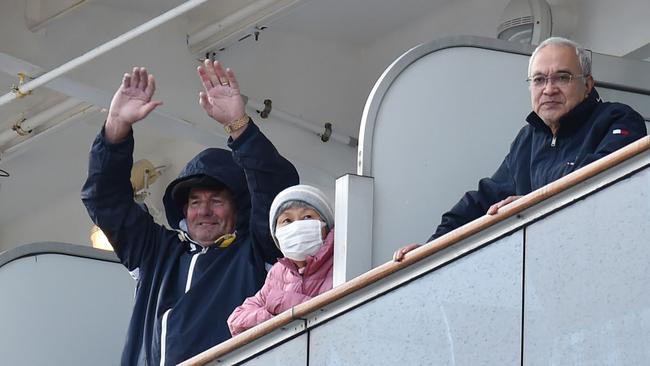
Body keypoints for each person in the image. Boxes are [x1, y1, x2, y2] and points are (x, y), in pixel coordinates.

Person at [81, 60, 298, 365]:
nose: (204, 211)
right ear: (184, 210)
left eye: (217, 200)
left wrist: (240, 126)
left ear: (237, 208)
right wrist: (116, 126)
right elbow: (105, 201)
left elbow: (276, 189)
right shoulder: (155, 254)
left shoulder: (255, 250)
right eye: (195, 202)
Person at [394, 36, 647, 261]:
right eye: (539, 80)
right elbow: (483, 199)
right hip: (543, 278)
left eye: (562, 77)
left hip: (606, 262)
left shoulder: (619, 119)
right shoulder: (527, 140)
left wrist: (530, 205)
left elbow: (602, 179)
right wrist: (429, 250)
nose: (549, 89)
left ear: (588, 85)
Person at [227, 184, 335, 336]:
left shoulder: (340, 261)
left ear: (326, 225)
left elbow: (335, 319)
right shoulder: (278, 272)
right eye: (287, 220)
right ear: (276, 235)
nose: (297, 225)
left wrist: (282, 303)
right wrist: (278, 320)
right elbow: (237, 321)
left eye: (307, 217)